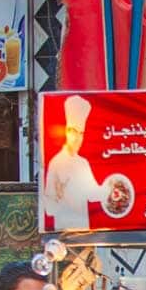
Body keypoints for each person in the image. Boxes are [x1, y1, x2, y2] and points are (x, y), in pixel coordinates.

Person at [41, 94, 105, 230]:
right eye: (74, 132)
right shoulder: (56, 163)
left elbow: (93, 195)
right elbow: (49, 208)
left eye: (81, 133)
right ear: (66, 132)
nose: (77, 138)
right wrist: (59, 196)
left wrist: (109, 188)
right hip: (63, 233)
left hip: (85, 231)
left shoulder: (83, 163)